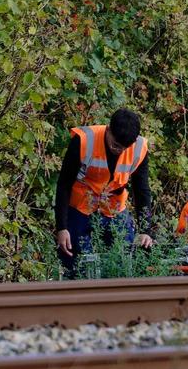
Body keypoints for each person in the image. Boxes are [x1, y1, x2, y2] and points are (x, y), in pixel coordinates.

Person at [53, 109, 154, 278]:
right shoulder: (84, 140)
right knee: (74, 260)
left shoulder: (139, 148)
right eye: (115, 145)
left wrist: (146, 230)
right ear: (108, 130)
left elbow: (142, 189)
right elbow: (64, 184)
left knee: (124, 257)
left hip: (114, 210)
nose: (119, 151)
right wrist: (61, 228)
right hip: (80, 208)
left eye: (124, 148)